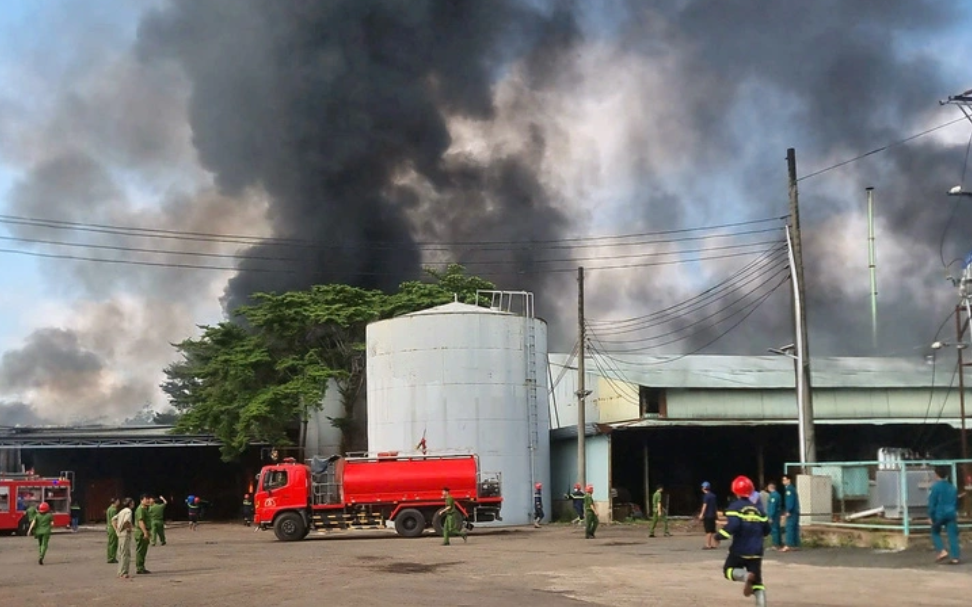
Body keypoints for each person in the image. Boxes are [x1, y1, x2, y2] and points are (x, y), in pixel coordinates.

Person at [715, 476, 770, 607]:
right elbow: (767, 529)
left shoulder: (735, 507)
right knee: (758, 585)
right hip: (756, 552)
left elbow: (733, 526)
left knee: (728, 570)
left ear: (735, 491)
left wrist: (719, 536)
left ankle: (745, 576)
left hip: (740, 549)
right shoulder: (759, 510)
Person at [928, 465, 961, 564]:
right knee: (953, 535)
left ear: (936, 474)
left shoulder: (935, 487)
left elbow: (932, 502)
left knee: (935, 532)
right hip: (951, 513)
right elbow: (956, 501)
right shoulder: (952, 487)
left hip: (939, 513)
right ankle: (955, 557)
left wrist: (930, 515)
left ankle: (942, 550)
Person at [112, 497, 135, 579]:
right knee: (126, 553)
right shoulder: (128, 511)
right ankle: (124, 572)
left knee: (121, 553)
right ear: (130, 503)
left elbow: (113, 520)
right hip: (125, 534)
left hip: (120, 534)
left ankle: (120, 571)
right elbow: (126, 521)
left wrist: (117, 530)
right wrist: (129, 528)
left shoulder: (121, 511)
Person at [134, 494, 153, 574]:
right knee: (140, 551)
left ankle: (141, 566)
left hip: (145, 531)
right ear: (141, 500)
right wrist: (145, 532)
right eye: (146, 499)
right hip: (141, 532)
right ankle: (139, 568)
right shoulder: (140, 509)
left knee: (143, 551)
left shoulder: (146, 509)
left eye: (149, 499)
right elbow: (140, 521)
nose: (148, 500)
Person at [780, 475, 800, 551]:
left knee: (789, 527)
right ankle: (796, 544)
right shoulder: (793, 488)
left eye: (785, 480)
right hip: (796, 511)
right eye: (783, 480)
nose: (783, 481)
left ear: (789, 480)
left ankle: (789, 544)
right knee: (795, 528)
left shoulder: (789, 489)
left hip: (792, 512)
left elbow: (790, 501)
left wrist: (788, 510)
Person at [699, 481, 718, 549]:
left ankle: (708, 544)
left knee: (708, 531)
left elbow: (705, 506)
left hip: (708, 516)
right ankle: (714, 544)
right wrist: (716, 515)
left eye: (702, 487)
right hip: (713, 515)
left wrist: (701, 514)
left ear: (704, 488)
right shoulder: (713, 496)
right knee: (713, 531)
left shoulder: (706, 496)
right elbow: (715, 506)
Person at [765, 482, 783, 550]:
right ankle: (779, 543)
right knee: (777, 529)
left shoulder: (773, 496)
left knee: (774, 530)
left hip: (774, 515)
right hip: (777, 514)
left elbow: (772, 506)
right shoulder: (778, 495)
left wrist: (770, 517)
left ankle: (775, 545)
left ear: (770, 488)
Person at [106, 497, 120, 564]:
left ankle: (109, 556)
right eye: (118, 501)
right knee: (114, 544)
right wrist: (117, 529)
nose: (119, 502)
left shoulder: (109, 509)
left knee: (110, 543)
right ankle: (112, 558)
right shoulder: (114, 510)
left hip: (109, 527)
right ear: (115, 501)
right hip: (112, 528)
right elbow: (114, 520)